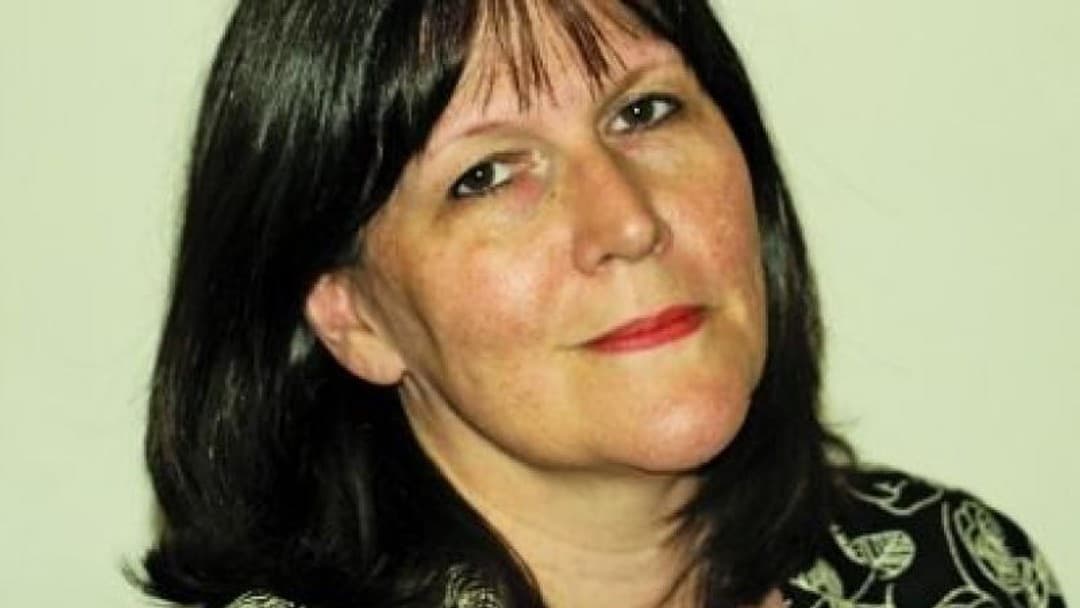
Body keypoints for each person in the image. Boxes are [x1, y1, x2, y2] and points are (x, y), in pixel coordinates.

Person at [138, 1, 1065, 607]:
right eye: (486, 175)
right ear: (354, 318)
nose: (626, 221)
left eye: (643, 112)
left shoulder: (952, 569)